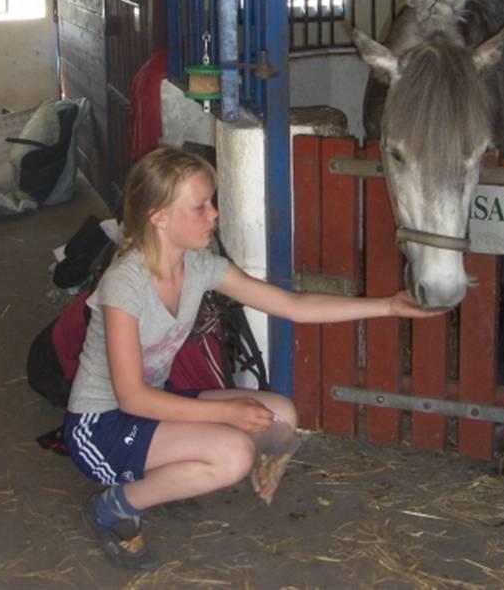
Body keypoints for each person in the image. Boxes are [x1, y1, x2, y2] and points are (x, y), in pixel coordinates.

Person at [64, 146, 448, 571]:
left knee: (280, 415)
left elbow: (293, 305)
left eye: (212, 203)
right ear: (159, 217)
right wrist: (228, 413)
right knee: (232, 454)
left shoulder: (200, 265)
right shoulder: (125, 284)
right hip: (103, 424)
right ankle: (113, 507)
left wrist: (387, 307)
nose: (214, 215)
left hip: (155, 403)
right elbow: (132, 399)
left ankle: (154, 482)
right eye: (200, 206)